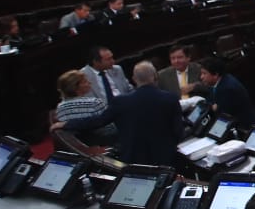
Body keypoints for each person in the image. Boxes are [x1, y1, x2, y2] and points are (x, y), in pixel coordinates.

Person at [53, 62, 183, 166]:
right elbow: (178, 131)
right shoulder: (170, 98)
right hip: (166, 157)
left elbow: (97, 121)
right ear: (155, 77)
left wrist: (66, 124)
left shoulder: (120, 101)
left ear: (134, 79)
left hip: (133, 158)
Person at [52, 69, 118, 145]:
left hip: (76, 146)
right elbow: (110, 125)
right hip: (104, 144)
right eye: (85, 81)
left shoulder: (60, 107)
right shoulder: (95, 102)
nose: (89, 83)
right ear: (76, 87)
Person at [196, 55, 255, 131]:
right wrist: (213, 107)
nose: (201, 77)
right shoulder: (219, 82)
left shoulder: (227, 88)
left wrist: (214, 107)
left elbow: (221, 113)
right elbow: (210, 102)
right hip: (233, 123)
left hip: (244, 128)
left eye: (204, 73)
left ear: (215, 75)